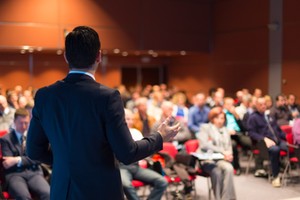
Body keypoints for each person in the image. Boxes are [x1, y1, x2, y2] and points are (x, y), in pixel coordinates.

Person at [26, 26, 180, 200]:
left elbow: (33, 151)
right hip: (101, 191)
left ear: (66, 56)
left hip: (63, 191)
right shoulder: (107, 97)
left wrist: (67, 162)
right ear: (99, 56)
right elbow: (127, 153)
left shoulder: (45, 96)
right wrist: (159, 137)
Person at [0, 108, 50, 199]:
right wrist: (28, 159)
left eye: (26, 123)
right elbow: (7, 163)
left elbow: (38, 159)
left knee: (48, 194)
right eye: (20, 123)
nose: (23, 126)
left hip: (33, 172)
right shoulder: (5, 139)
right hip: (14, 175)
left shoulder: (34, 137)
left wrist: (17, 159)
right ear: (14, 122)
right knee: (23, 197)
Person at [120, 109, 168, 200]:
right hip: (123, 167)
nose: (130, 121)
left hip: (136, 166)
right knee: (126, 185)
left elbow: (145, 150)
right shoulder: (117, 134)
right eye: (127, 119)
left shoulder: (136, 132)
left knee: (162, 182)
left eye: (131, 119)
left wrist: (144, 159)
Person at [247, 97, 287, 187]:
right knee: (275, 150)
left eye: (264, 104)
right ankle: (275, 176)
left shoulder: (269, 116)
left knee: (292, 148)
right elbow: (251, 133)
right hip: (263, 144)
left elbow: (278, 129)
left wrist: (286, 137)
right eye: (260, 104)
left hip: (277, 141)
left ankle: (283, 167)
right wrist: (264, 138)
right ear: (256, 106)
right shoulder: (253, 117)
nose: (263, 106)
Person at [197, 107, 236, 200]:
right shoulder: (205, 128)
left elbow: (229, 146)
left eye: (222, 118)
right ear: (212, 118)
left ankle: (226, 198)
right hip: (207, 159)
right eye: (217, 118)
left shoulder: (226, 130)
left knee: (229, 168)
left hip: (221, 159)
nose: (220, 120)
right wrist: (222, 151)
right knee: (217, 173)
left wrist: (229, 155)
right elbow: (204, 145)